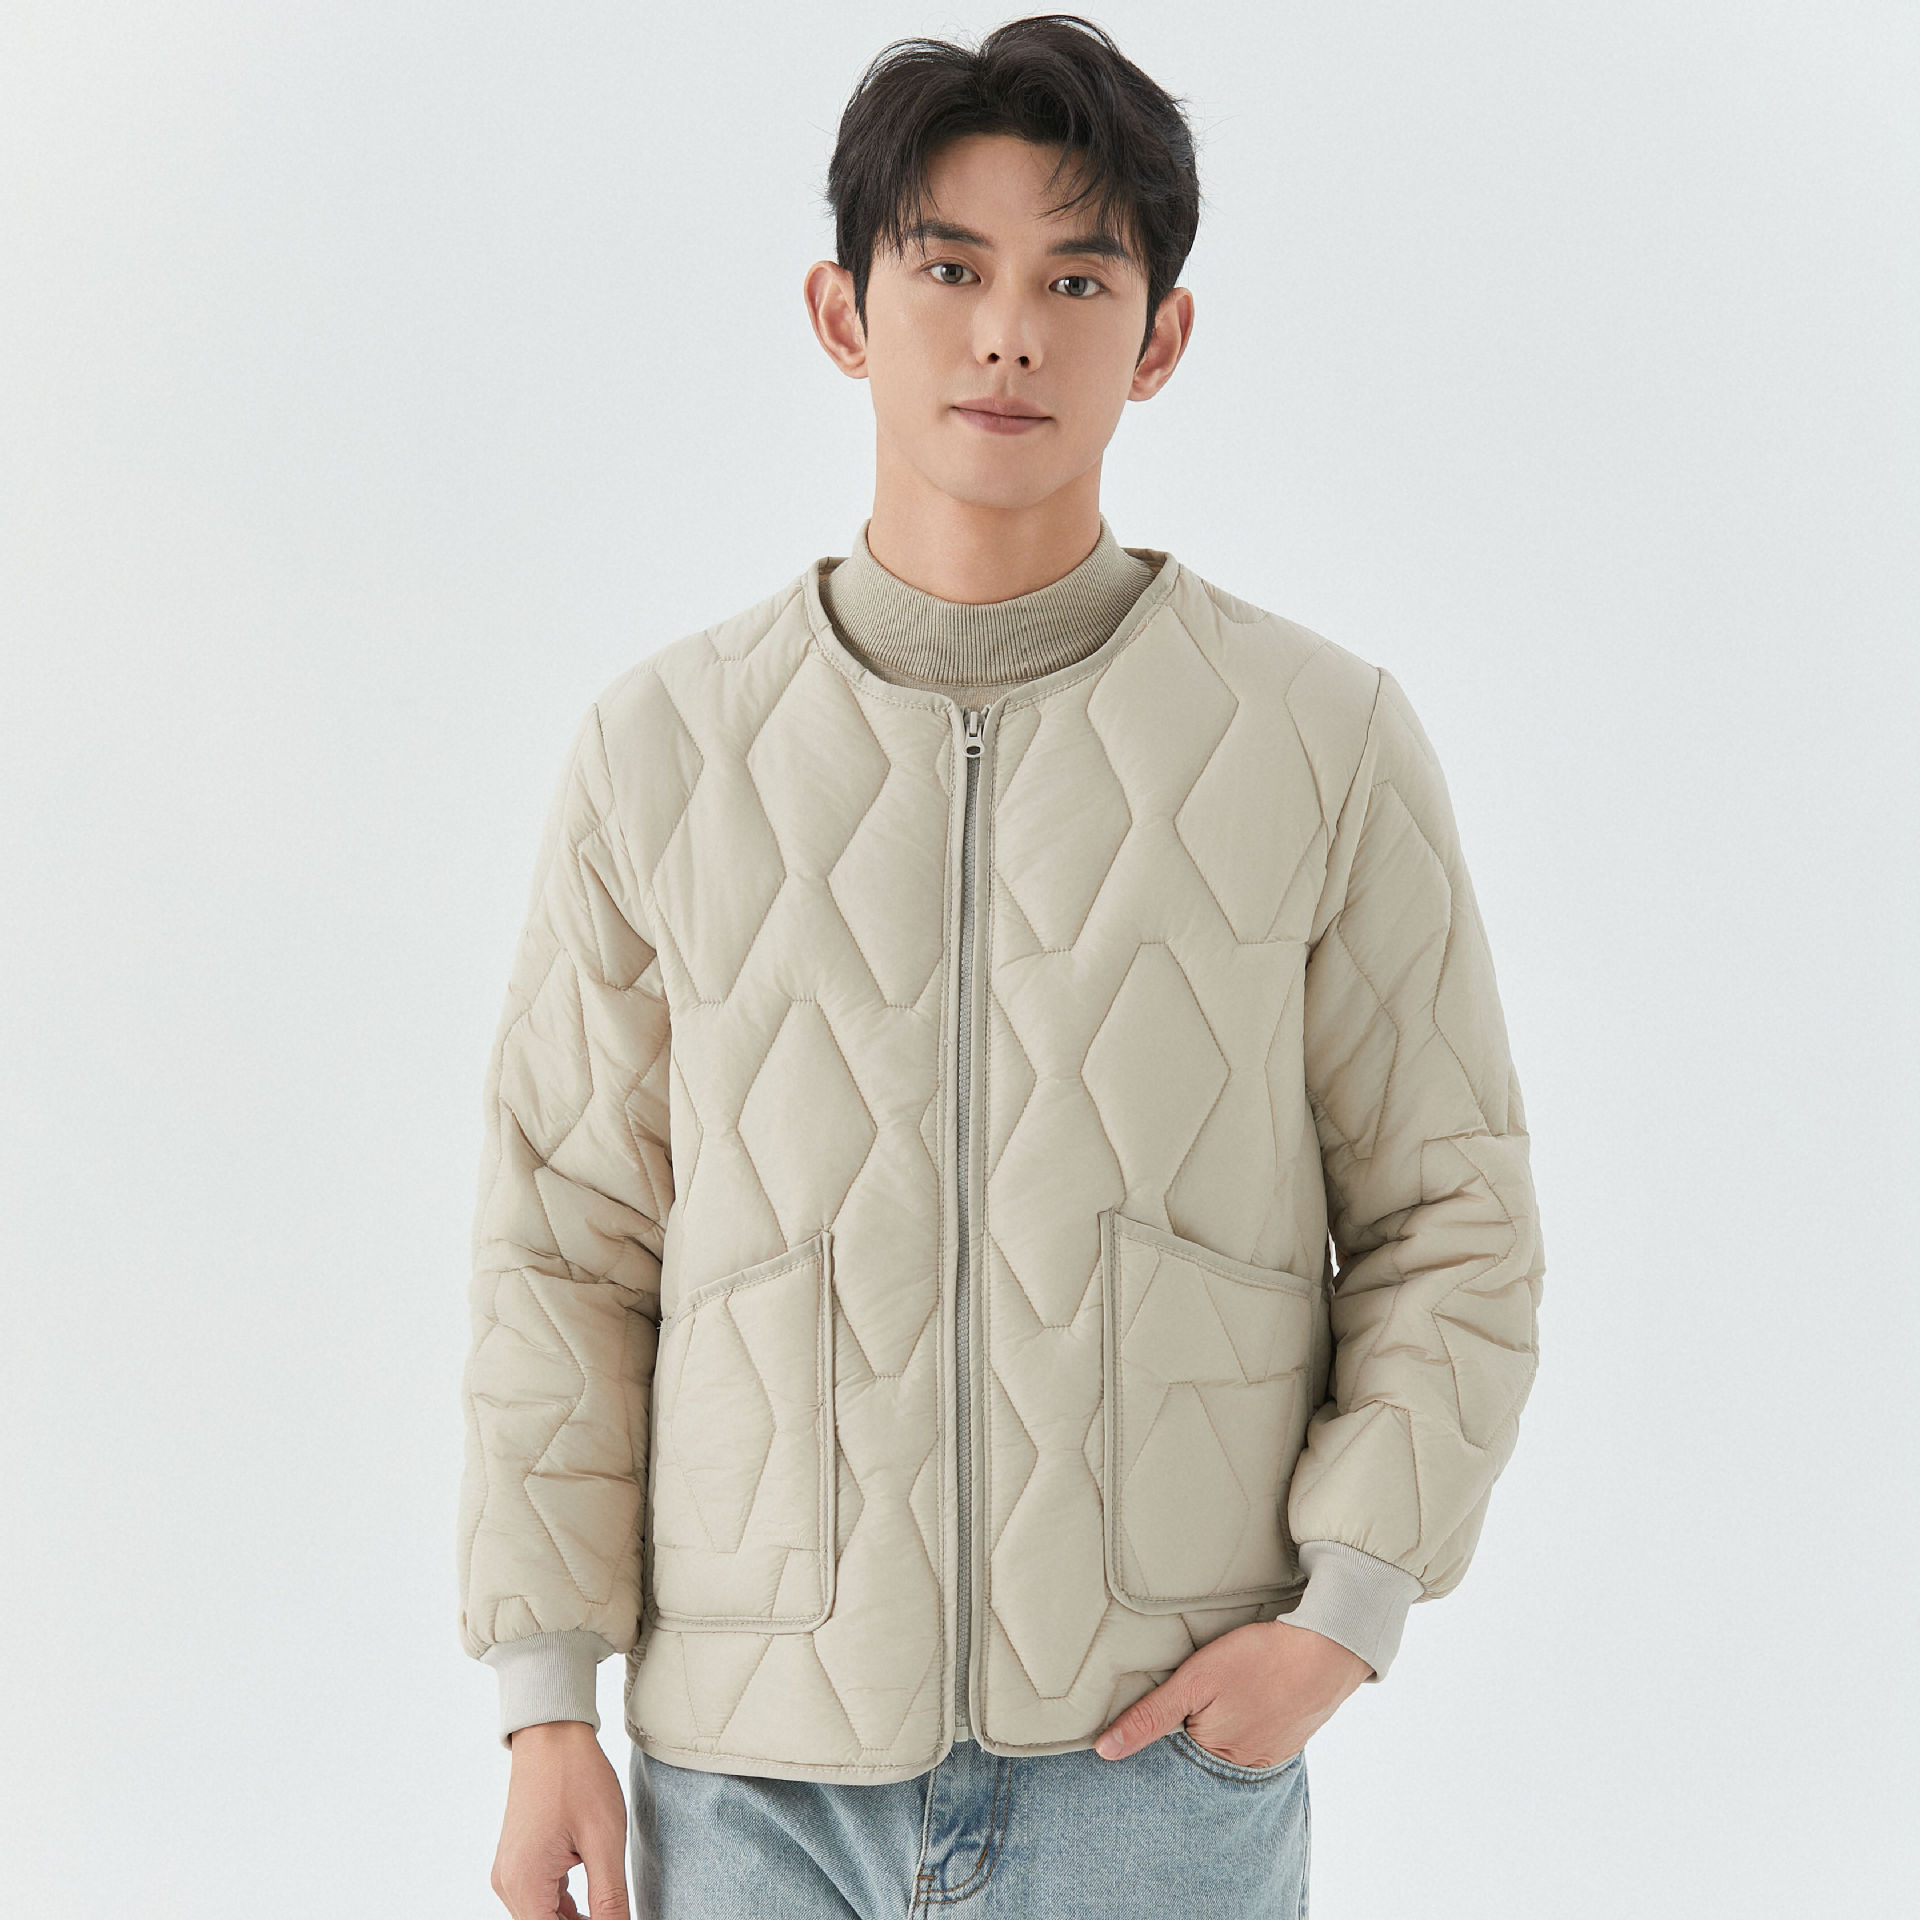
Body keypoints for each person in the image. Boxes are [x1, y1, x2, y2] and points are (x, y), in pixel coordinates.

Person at [455, 15, 1547, 1918]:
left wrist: (1344, 1619)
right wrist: (547, 1703)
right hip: (752, 1776)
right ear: (844, 313)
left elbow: (1451, 1211)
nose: (1009, 335)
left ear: (1163, 337)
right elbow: (564, 1246)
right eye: (950, 270)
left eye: (1077, 280)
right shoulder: (663, 751)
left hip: (1158, 1763)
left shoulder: (1318, 739)